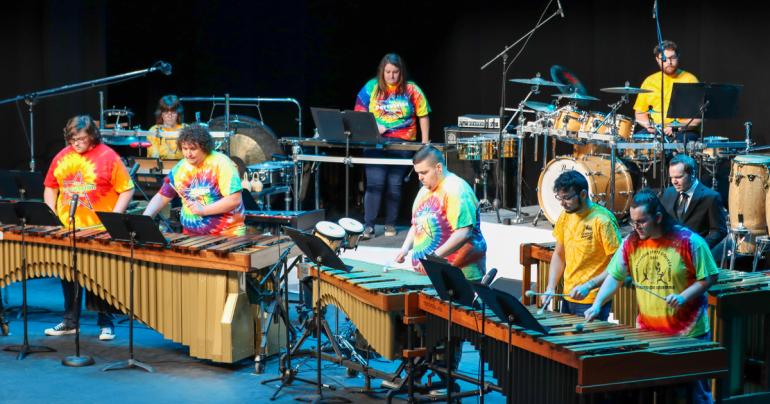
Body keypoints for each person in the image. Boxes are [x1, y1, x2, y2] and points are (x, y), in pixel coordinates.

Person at [585, 189, 718, 404]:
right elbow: (615, 276)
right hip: (648, 336)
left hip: (687, 336)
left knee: (694, 398)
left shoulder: (689, 241)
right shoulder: (630, 243)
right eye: (633, 222)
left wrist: (684, 296)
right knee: (653, 395)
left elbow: (709, 277)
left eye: (641, 222)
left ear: (658, 217)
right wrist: (598, 303)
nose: (636, 227)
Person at [43, 115, 135, 340]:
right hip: (68, 226)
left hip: (98, 227)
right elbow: (50, 187)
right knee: (68, 276)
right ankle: (70, 321)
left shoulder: (108, 156)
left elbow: (127, 189)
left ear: (92, 136)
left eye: (82, 139)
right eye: (73, 139)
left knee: (99, 278)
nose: (77, 143)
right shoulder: (62, 157)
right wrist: (50, 214)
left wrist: (114, 218)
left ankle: (106, 322)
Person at [354, 53, 430, 239]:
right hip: (375, 142)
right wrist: (373, 126)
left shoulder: (412, 89)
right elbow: (359, 113)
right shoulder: (371, 87)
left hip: (402, 143)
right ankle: (369, 225)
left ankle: (390, 223)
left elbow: (423, 114)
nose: (391, 76)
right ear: (382, 71)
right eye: (388, 72)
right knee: (375, 184)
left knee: (394, 185)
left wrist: (424, 142)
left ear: (401, 72)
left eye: (395, 72)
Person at [542, 171, 621, 320]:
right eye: (560, 197)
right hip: (567, 296)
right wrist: (550, 287)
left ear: (583, 194)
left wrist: (589, 286)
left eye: (567, 198)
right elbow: (559, 255)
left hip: (592, 300)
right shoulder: (565, 216)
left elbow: (617, 264)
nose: (562, 203)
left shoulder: (602, 220)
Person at [143, 124, 245, 236]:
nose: (188, 154)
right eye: (185, 149)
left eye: (193, 149)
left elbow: (234, 200)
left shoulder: (222, 163)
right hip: (191, 236)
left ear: (204, 147)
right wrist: (145, 219)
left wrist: (203, 210)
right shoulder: (180, 168)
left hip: (226, 236)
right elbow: (162, 196)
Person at [633, 40, 701, 142]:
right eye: (664, 59)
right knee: (635, 142)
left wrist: (677, 127)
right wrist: (649, 126)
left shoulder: (690, 80)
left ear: (678, 57)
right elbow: (640, 113)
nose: (669, 62)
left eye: (672, 58)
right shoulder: (649, 81)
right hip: (656, 131)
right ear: (657, 59)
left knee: (675, 146)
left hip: (683, 131)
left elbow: (698, 117)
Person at [661, 154, 726, 250]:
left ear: (693, 174)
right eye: (672, 177)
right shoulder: (668, 193)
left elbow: (719, 231)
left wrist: (699, 248)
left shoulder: (711, 197)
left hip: (695, 256)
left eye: (678, 177)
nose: (674, 181)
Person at [147, 94, 185, 159]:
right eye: (166, 111)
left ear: (178, 113)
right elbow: (154, 155)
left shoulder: (186, 129)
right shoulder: (153, 130)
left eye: (173, 111)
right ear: (161, 113)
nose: (169, 115)